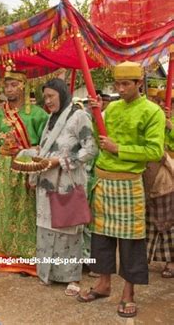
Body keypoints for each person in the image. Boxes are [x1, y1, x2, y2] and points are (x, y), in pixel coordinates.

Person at [78, 61, 165, 318]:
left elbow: (155, 151)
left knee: (130, 242)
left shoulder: (152, 112)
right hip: (104, 181)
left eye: (126, 84)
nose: (120, 88)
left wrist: (120, 149)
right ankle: (103, 284)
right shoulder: (112, 108)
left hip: (129, 182)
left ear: (140, 83)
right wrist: (96, 118)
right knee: (101, 238)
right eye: (117, 84)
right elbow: (100, 141)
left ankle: (128, 292)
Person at [33, 78, 97, 295]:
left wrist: (60, 161)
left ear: (62, 93)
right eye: (46, 97)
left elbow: (90, 150)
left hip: (68, 183)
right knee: (47, 227)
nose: (48, 101)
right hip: (46, 182)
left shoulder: (79, 116)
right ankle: (48, 272)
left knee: (68, 228)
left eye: (51, 96)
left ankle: (71, 277)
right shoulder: (51, 118)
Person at [0, 71, 49, 275]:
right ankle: (1, 253)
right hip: (5, 167)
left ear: (24, 86)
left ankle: (28, 256)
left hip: (26, 166)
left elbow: (46, 145)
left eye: (14, 85)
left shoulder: (38, 114)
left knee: (27, 211)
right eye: (7, 86)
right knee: (4, 211)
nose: (9, 89)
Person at [143, 88, 174, 279]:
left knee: (168, 222)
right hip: (146, 176)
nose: (161, 104)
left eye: (163, 102)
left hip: (166, 177)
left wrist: (170, 127)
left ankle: (171, 261)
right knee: (146, 222)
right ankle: (142, 259)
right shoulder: (147, 119)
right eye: (156, 101)